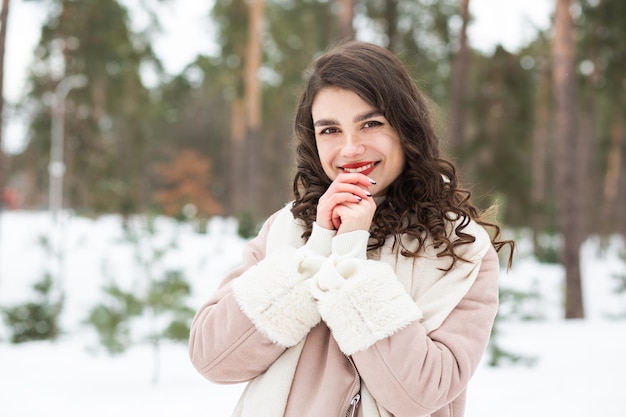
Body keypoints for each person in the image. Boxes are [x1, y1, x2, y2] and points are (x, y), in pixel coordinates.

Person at [189, 41, 514, 417]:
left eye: (371, 124)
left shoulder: (461, 250)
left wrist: (349, 265)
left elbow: (420, 395)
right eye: (329, 130)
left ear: (406, 128)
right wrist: (316, 253)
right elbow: (213, 359)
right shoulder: (287, 230)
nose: (350, 149)